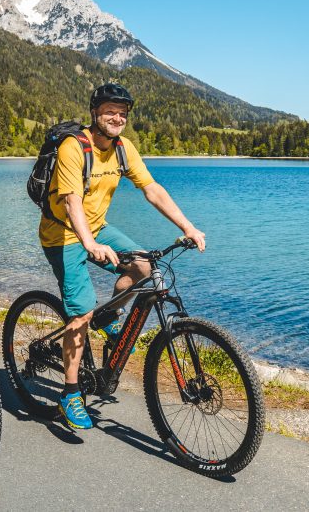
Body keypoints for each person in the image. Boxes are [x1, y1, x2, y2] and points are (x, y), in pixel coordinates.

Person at [40, 83, 206, 429]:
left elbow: (152, 189)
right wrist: (89, 244)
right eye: (110, 111)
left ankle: (109, 317)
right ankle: (70, 393)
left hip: (97, 227)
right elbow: (71, 202)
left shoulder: (123, 148)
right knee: (81, 313)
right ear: (94, 113)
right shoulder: (75, 147)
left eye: (123, 113)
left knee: (144, 266)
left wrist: (188, 226)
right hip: (63, 235)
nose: (117, 118)